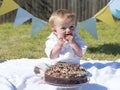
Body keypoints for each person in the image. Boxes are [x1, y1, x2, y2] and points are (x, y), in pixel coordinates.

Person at [34, 9, 87, 76]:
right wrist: (59, 45)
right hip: (56, 67)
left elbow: (80, 54)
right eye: (63, 28)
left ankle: (67, 77)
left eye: (71, 27)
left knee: (81, 73)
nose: (68, 30)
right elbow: (52, 56)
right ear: (55, 31)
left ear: (75, 27)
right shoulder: (52, 40)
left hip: (74, 67)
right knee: (40, 66)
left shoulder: (76, 39)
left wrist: (73, 43)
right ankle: (47, 76)